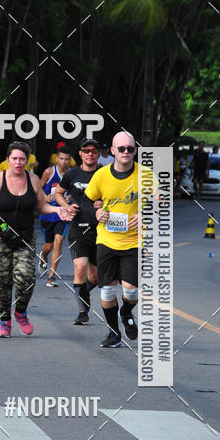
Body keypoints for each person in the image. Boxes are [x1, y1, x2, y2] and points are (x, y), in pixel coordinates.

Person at [0, 141, 71, 338]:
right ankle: (5, 321)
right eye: (14, 158)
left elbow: (42, 206)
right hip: (0, 236)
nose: (18, 162)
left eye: (22, 159)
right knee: (2, 281)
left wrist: (58, 209)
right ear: (7, 160)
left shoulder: (32, 180)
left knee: (27, 279)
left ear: (27, 160)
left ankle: (20, 312)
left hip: (24, 237)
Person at [84, 131, 146, 348]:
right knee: (108, 290)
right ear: (112, 151)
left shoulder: (145, 175)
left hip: (135, 241)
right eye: (121, 148)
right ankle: (113, 333)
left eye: (130, 148)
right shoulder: (101, 175)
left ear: (135, 150)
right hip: (107, 240)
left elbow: (162, 201)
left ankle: (126, 310)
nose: (126, 152)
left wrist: (147, 213)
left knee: (130, 290)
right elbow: (87, 201)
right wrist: (96, 214)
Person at [55, 138, 101, 324]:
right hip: (78, 229)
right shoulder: (72, 174)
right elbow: (58, 192)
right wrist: (66, 206)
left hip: (101, 231)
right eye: (86, 150)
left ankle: (82, 294)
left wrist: (105, 204)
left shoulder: (106, 174)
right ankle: (83, 311)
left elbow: (118, 197)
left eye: (93, 150)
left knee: (96, 277)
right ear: (80, 154)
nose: (90, 153)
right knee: (80, 267)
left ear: (98, 154)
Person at [38, 145, 72, 286]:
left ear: (70, 160)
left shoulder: (71, 174)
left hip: (62, 215)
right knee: (48, 245)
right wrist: (45, 196)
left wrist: (70, 197)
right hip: (48, 214)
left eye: (67, 159)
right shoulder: (49, 172)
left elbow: (75, 191)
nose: (64, 162)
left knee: (59, 241)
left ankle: (51, 277)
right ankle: (43, 255)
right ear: (57, 159)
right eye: (61, 159)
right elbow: (37, 187)